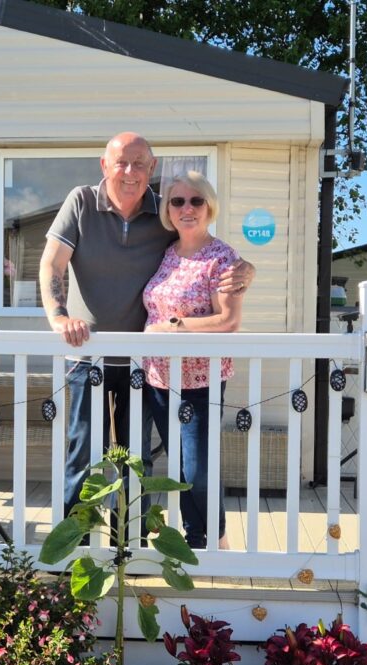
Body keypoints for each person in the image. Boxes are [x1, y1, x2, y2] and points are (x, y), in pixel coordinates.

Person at [38, 132, 254, 515]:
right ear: (104, 165)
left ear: (151, 168)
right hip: (88, 355)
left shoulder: (164, 212)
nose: (130, 171)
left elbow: (202, 246)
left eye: (140, 163)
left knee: (135, 460)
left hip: (144, 364)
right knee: (83, 453)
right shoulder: (82, 201)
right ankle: (73, 549)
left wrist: (244, 270)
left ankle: (130, 547)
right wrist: (58, 316)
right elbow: (52, 263)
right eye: (121, 161)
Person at [142, 171, 243, 549]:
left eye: (196, 201)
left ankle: (213, 540)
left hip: (200, 379)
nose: (187, 208)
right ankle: (196, 537)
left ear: (209, 206)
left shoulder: (223, 257)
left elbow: (228, 320)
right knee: (180, 466)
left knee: (197, 468)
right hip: (157, 378)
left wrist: (174, 327)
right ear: (168, 209)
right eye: (177, 201)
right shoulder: (168, 252)